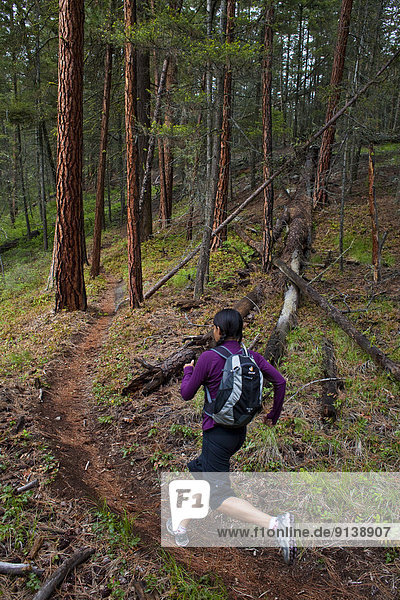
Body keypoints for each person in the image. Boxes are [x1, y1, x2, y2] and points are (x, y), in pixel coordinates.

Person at [166, 308, 296, 564]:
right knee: (203, 470)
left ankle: (276, 524)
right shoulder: (252, 357)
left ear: (218, 330)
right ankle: (179, 524)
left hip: (217, 434)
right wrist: (273, 415)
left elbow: (186, 394)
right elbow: (280, 382)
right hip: (238, 433)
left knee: (218, 496)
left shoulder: (209, 358)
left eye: (213, 327)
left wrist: (188, 371)